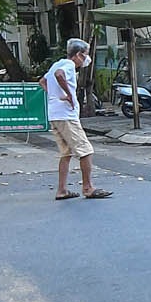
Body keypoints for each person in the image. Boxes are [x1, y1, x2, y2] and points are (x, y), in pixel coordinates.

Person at [47, 39, 109, 200]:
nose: (86, 59)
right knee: (86, 150)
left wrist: (54, 96)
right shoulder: (67, 66)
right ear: (78, 55)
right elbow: (58, 75)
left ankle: (62, 190)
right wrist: (68, 94)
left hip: (55, 114)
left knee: (65, 153)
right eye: (85, 55)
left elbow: (43, 81)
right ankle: (88, 187)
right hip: (66, 116)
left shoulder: (56, 63)